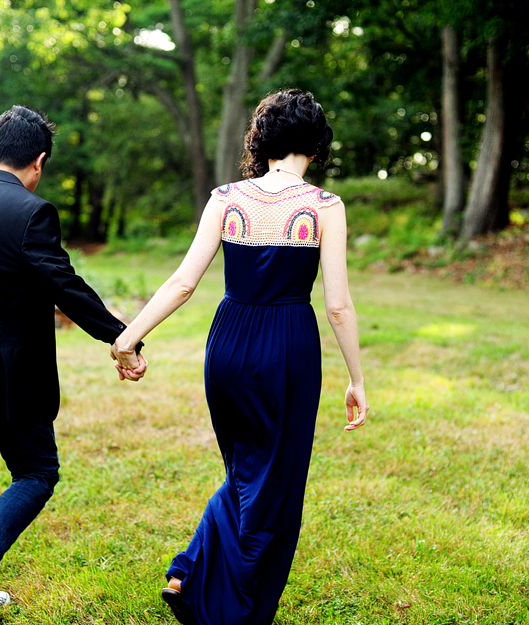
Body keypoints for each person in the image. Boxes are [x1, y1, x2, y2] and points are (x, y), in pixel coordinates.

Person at [111, 89, 368, 625]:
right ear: (317, 146)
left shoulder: (226, 198)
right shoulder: (325, 207)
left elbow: (184, 283)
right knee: (273, 481)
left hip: (228, 344)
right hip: (289, 347)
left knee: (247, 470)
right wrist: (356, 378)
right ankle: (228, 603)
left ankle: (191, 572)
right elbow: (338, 305)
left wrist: (128, 335)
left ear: (264, 139)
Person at [0, 105, 146, 617]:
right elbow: (65, 287)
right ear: (38, 162)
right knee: (38, 472)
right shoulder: (32, 212)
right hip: (7, 379)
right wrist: (124, 337)